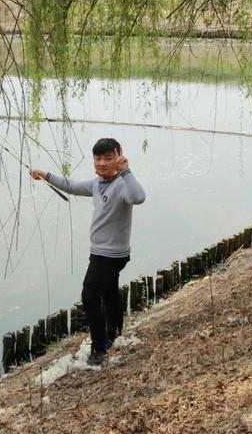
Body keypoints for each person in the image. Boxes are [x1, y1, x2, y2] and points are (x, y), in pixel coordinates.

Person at [29, 138, 146, 366]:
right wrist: (45, 174)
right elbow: (72, 186)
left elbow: (139, 197)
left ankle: (99, 349)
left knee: (89, 295)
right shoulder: (96, 183)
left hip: (110, 255)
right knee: (109, 292)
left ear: (118, 157)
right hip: (101, 252)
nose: (102, 163)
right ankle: (114, 334)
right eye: (98, 158)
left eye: (108, 158)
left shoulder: (122, 184)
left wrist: (126, 171)